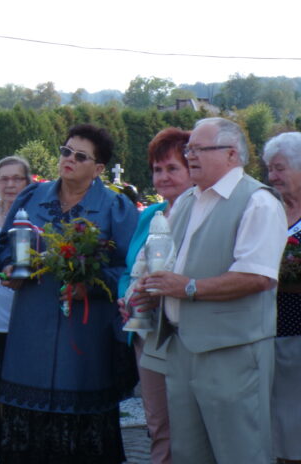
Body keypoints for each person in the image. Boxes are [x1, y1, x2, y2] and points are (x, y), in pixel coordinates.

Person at [141, 117, 286, 463]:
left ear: (232, 155)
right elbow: (170, 266)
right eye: (189, 149)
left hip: (232, 351)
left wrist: (188, 287)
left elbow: (258, 277)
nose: (190, 156)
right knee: (189, 454)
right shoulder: (188, 201)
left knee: (241, 452)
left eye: (199, 149)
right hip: (181, 347)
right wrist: (146, 291)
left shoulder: (259, 202)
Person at [0, 123, 139, 464]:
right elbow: (4, 247)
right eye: (65, 151)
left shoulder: (115, 207)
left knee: (81, 428)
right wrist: (8, 268)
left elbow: (131, 269)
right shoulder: (32, 197)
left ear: (99, 168)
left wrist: (90, 284)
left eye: (80, 156)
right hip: (31, 327)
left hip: (85, 335)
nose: (69, 160)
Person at [119, 127, 192, 464]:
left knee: (189, 426)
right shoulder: (150, 214)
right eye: (157, 169)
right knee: (157, 423)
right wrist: (126, 298)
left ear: (194, 168)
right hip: (146, 332)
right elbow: (128, 266)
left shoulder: (201, 214)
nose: (163, 177)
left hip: (185, 332)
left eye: (172, 168)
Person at [263, 132, 301, 464]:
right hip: (265, 330)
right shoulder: (268, 211)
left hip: (297, 330)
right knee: (273, 422)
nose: (272, 176)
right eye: (268, 169)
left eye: (279, 168)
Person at [0, 155, 32, 364]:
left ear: (27, 182)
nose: (10, 185)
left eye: (17, 179)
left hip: (26, 313)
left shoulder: (34, 214)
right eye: (4, 179)